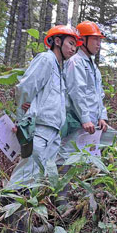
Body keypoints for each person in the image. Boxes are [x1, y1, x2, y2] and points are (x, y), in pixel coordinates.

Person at [6, 25, 82, 189]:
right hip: (39, 129)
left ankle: (25, 212)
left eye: (75, 45)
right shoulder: (46, 59)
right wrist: (22, 121)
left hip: (53, 132)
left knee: (38, 178)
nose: (73, 49)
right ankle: (10, 209)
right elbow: (26, 88)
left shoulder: (59, 69)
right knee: (26, 174)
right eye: (70, 43)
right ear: (57, 41)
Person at [58, 21, 117, 164]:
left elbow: (98, 95)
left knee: (112, 146)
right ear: (83, 40)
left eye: (99, 40)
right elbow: (77, 92)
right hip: (78, 120)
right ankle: (61, 185)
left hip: (93, 122)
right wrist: (85, 119)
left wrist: (102, 116)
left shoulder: (92, 66)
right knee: (67, 155)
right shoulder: (75, 62)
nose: (98, 44)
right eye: (95, 39)